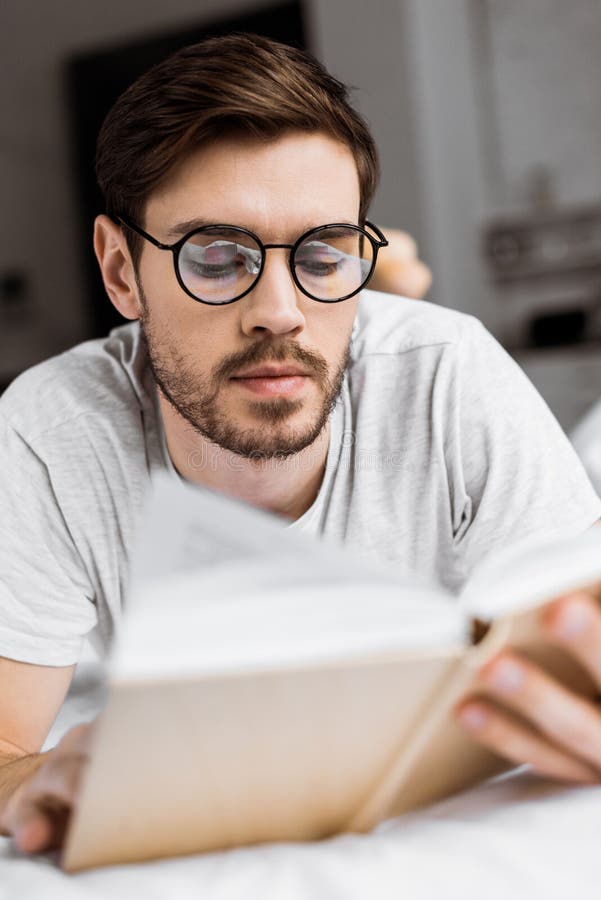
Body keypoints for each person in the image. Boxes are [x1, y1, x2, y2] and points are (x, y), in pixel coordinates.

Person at [1, 33, 601, 857]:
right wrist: (39, 776)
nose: (277, 310)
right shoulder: (51, 431)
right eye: (216, 257)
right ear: (119, 271)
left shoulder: (448, 370)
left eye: (322, 252)